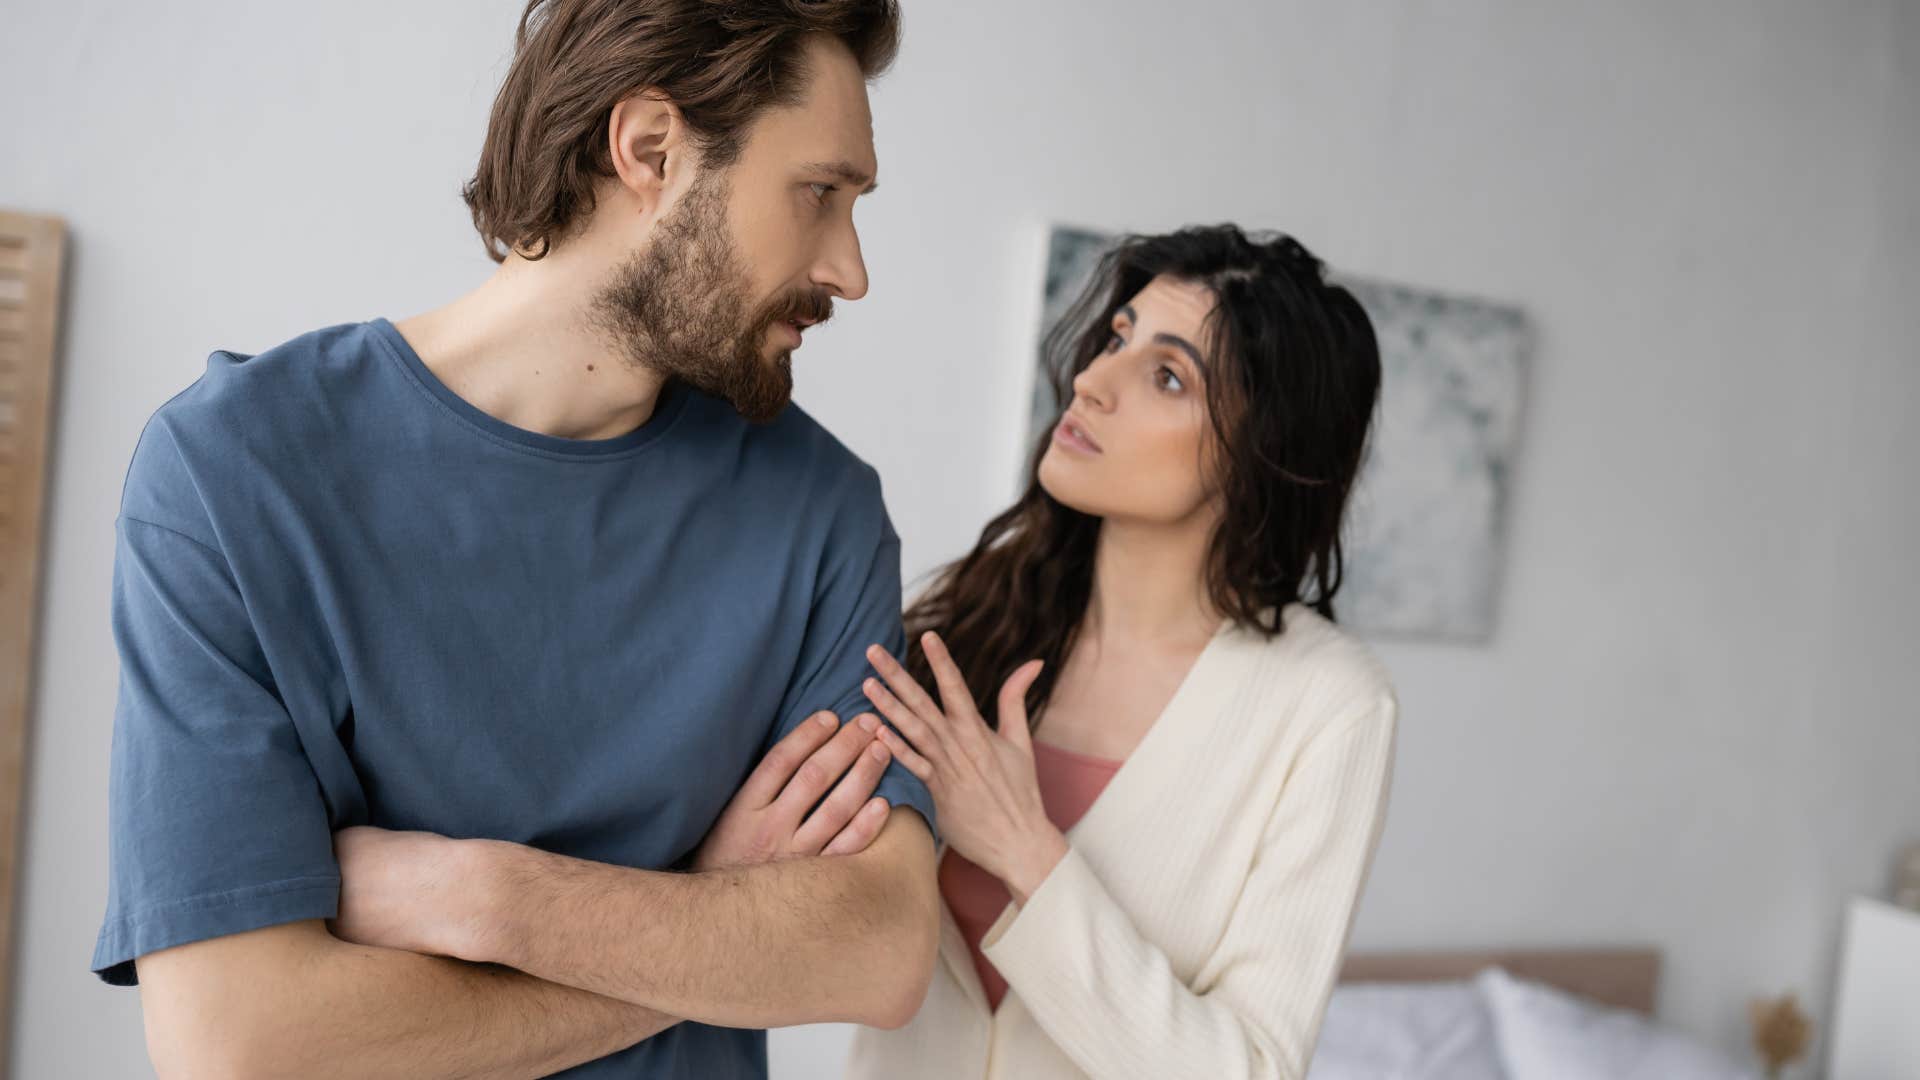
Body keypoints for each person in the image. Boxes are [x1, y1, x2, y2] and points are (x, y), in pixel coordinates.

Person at [90, 3, 942, 1078]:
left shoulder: (822, 512)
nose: (850, 269)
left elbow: (881, 949)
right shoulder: (232, 475)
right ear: (650, 150)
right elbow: (241, 1044)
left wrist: (491, 900)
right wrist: (707, 915)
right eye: (819, 194)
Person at [843, 224, 1399, 1078]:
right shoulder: (964, 622)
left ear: (1264, 454)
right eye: (1115, 339)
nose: (1093, 382)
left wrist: (1028, 850)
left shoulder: (1327, 705)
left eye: (1167, 377)